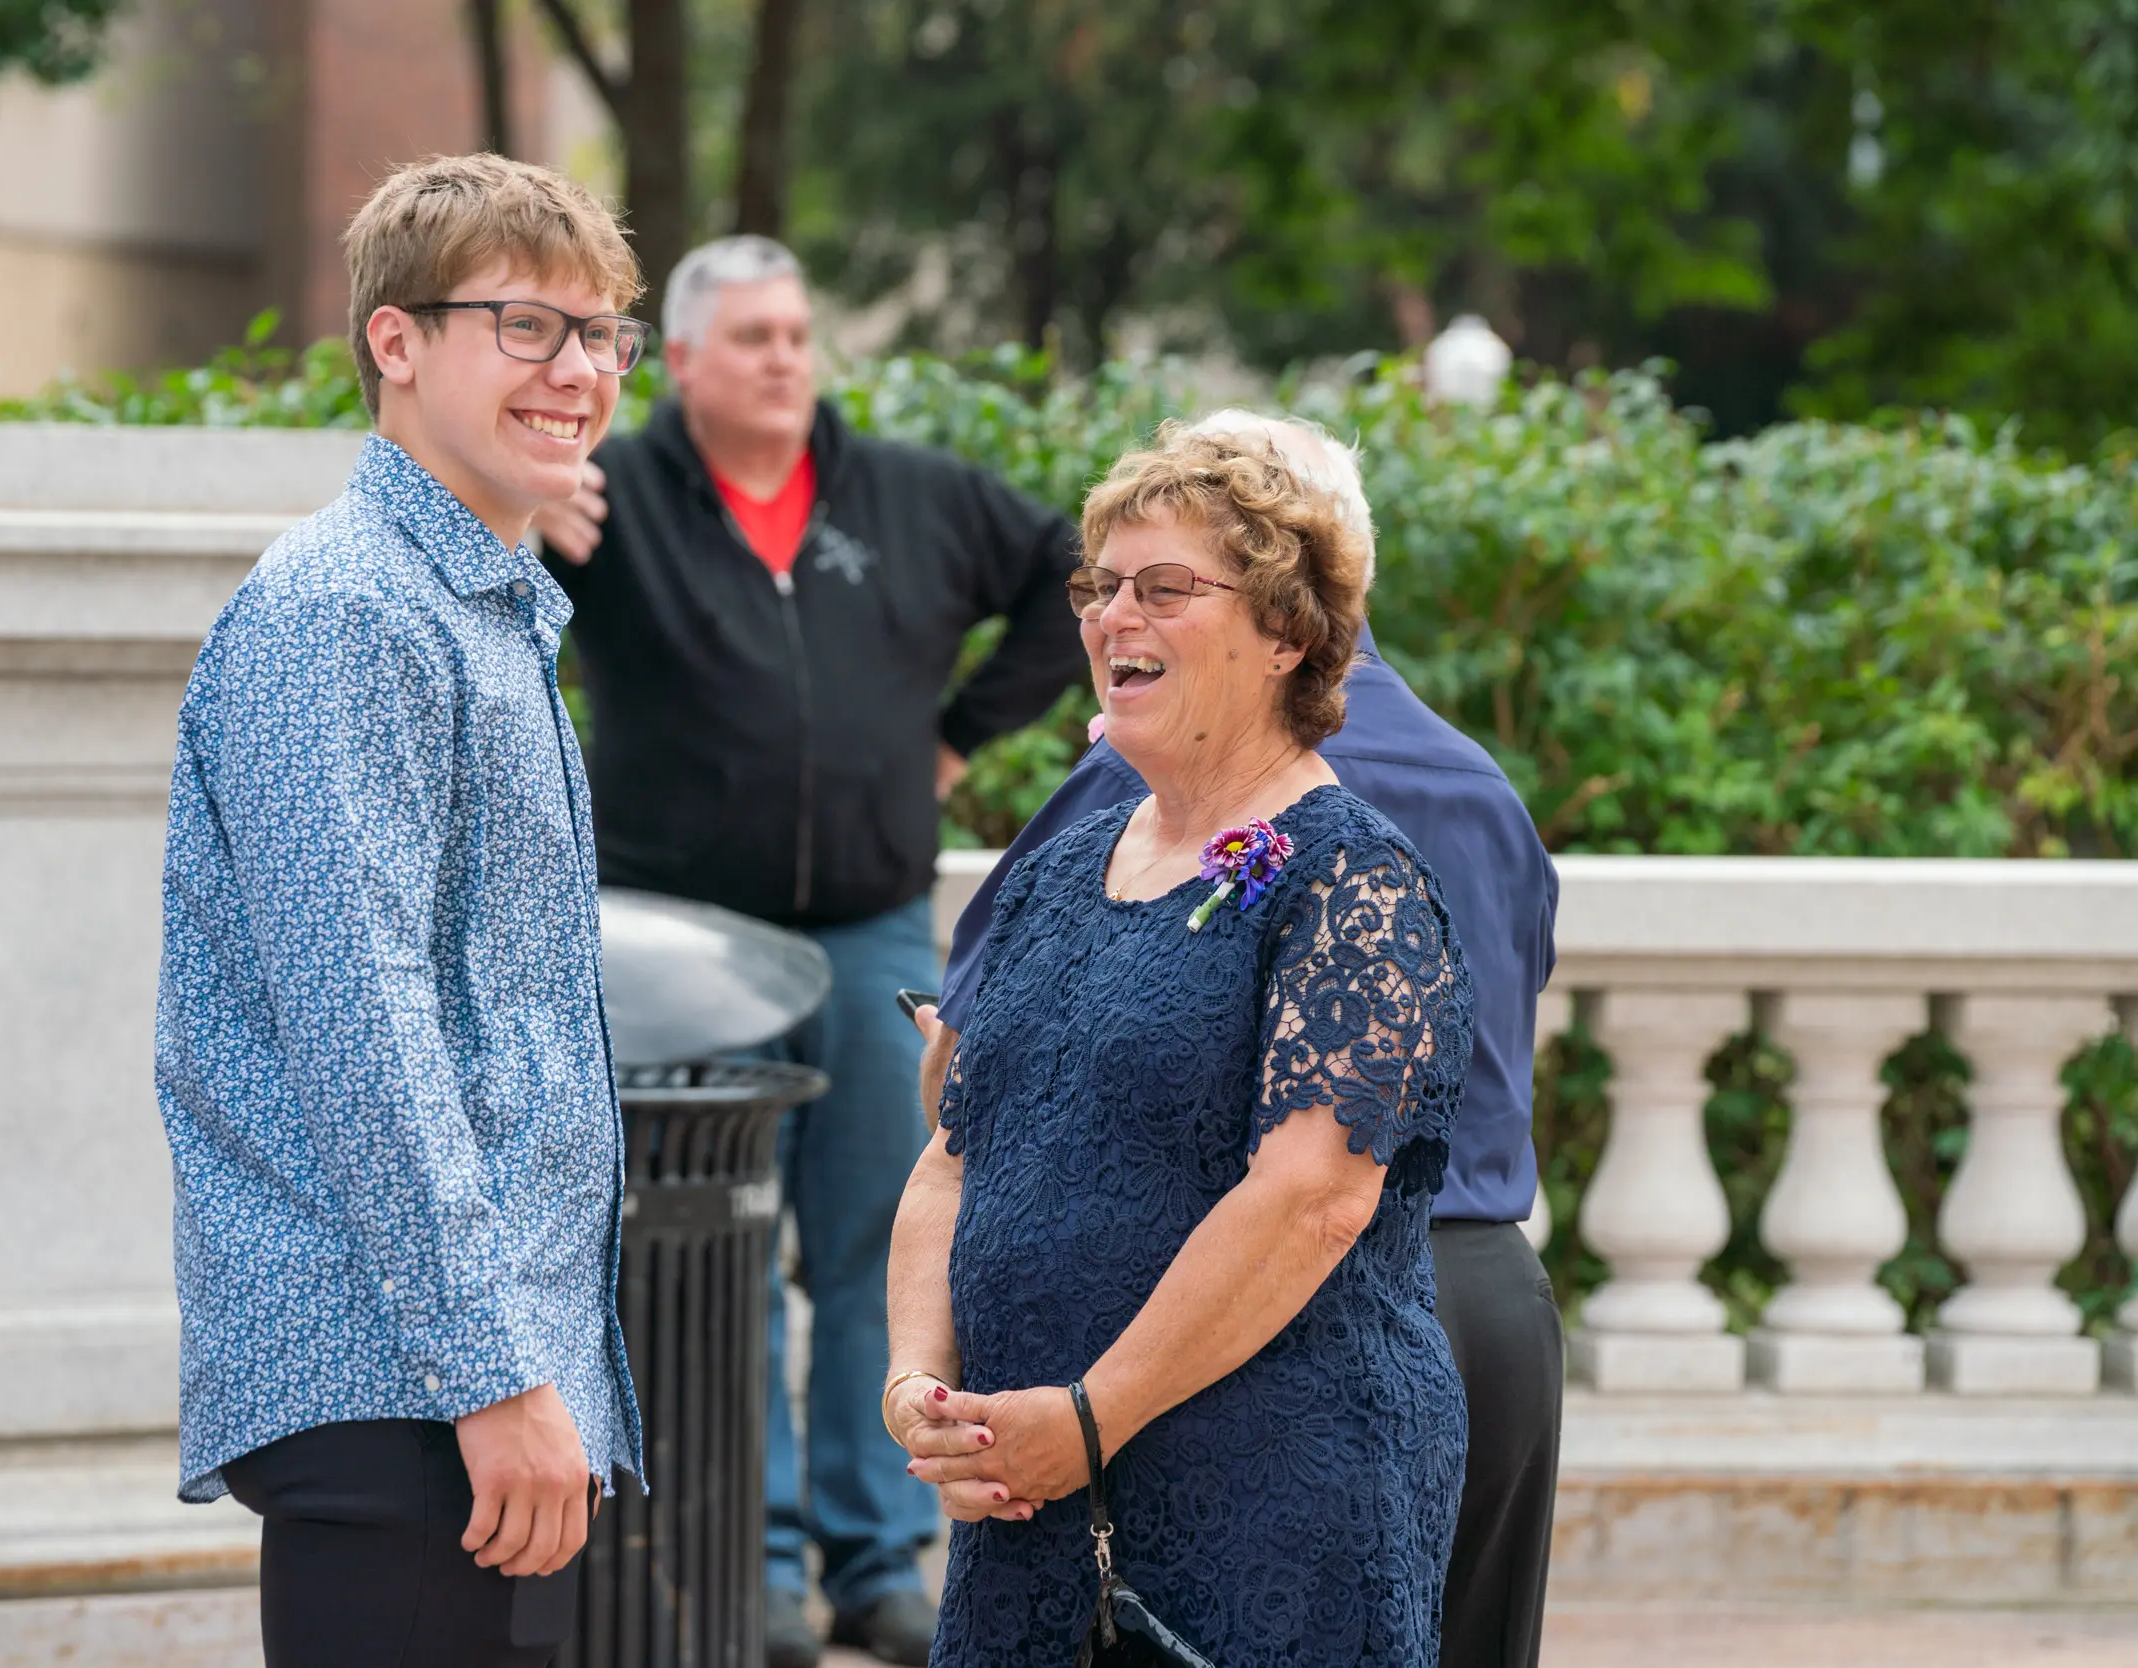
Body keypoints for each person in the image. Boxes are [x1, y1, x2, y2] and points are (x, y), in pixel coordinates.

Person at [926, 411, 1564, 1668]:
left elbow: (1312, 1196)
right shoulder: (1477, 782)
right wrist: (926, 1387)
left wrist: (1090, 1415)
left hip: (1296, 1378)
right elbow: (962, 1133)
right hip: (1477, 1293)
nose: (1120, 618)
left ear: (1288, 620)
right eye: (1101, 587)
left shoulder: (1318, 848)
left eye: (1167, 586)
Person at [531, 236, 1083, 1665]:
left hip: (868, 933)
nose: (786, 356)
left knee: (873, 1253)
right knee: (704, 1256)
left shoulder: (906, 497)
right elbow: (487, 591)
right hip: (677, 949)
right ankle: (752, 1563)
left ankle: (874, 1559)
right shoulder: (616, 498)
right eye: (753, 337)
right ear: (691, 363)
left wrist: (956, 738)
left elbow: (1067, 571)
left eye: (799, 332)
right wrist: (530, 504)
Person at [154, 155, 647, 1668]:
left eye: (606, 334)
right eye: (528, 326)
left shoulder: (481, 603)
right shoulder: (345, 612)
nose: (578, 373)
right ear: (396, 341)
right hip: (405, 1378)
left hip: (473, 1370)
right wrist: (491, 1374)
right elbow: (363, 1024)